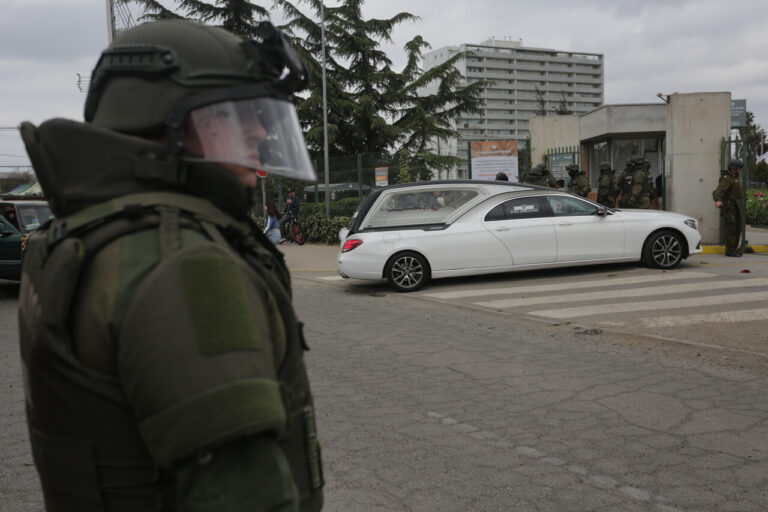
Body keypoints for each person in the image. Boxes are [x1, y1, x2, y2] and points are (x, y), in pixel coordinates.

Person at [18, 20, 324, 511]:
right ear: (167, 119)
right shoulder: (184, 264)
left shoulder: (87, 236)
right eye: (238, 112)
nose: (262, 130)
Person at [713, 159, 745, 256]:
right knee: (731, 229)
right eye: (739, 168)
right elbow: (719, 191)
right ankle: (730, 251)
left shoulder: (734, 177)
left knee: (737, 228)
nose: (741, 170)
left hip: (736, 207)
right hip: (729, 207)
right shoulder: (727, 178)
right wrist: (718, 200)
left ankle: (733, 250)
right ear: (734, 169)